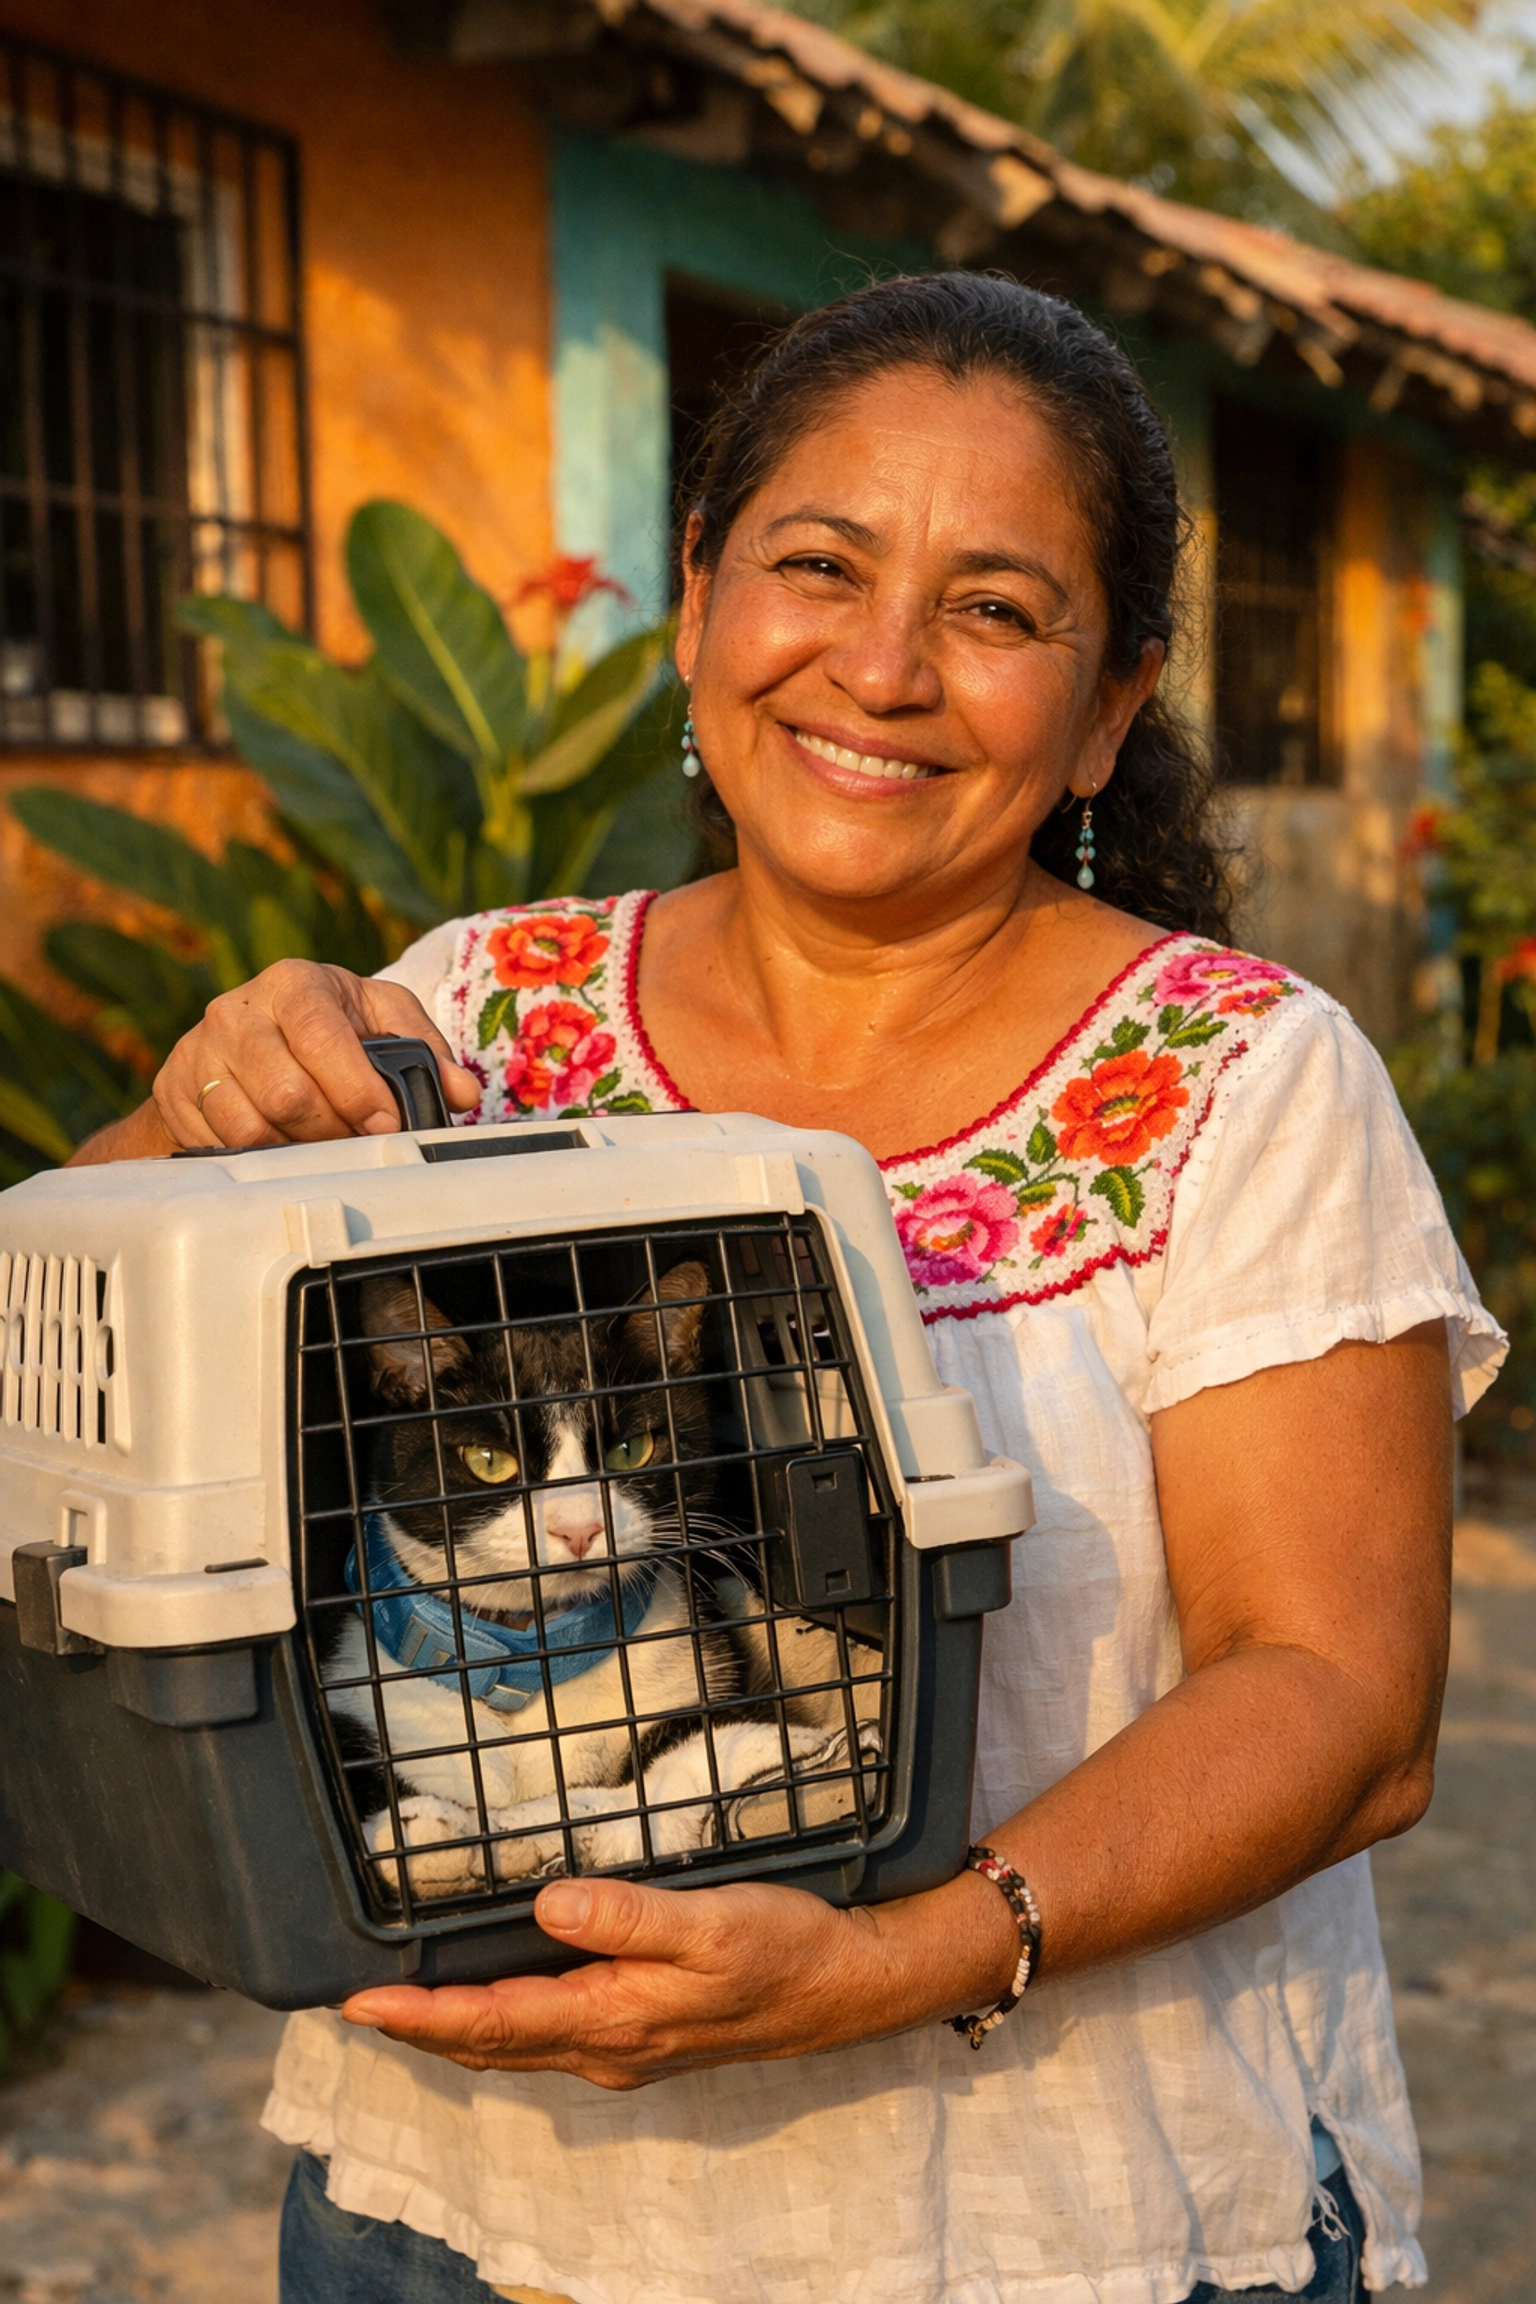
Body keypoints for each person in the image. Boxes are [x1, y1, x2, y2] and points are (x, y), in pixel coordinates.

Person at [74, 273, 1501, 2304]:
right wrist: (194, 1103)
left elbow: (1345, 1706)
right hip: (462, 2219)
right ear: (699, 605)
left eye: (998, 611)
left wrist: (886, 1969)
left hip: (1045, 2233)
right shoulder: (473, 1023)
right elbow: (77, 1357)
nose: (885, 667)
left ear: (1112, 704)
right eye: (817, 565)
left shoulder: (1242, 1086)